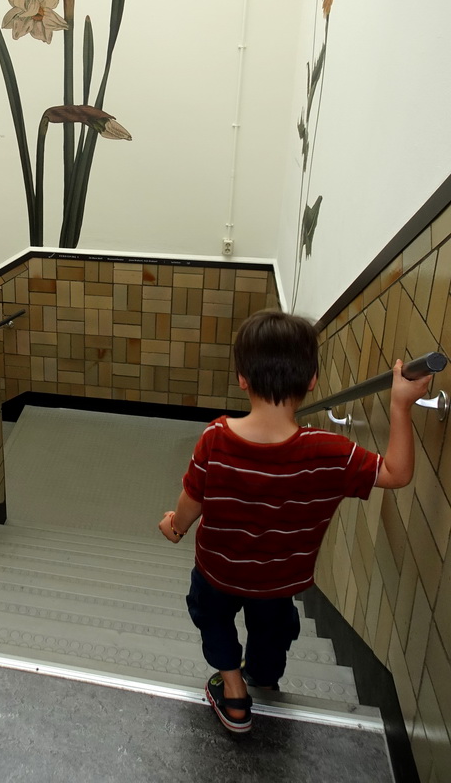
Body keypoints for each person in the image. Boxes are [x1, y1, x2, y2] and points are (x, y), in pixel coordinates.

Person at [158, 309, 432, 735]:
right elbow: (397, 472)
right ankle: (264, 680)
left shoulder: (216, 439)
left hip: (218, 570)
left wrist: (175, 526)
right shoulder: (330, 451)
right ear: (312, 381)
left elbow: (192, 501)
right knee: (272, 628)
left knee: (211, 617)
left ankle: (233, 695)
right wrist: (400, 404)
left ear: (242, 378)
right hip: (280, 579)